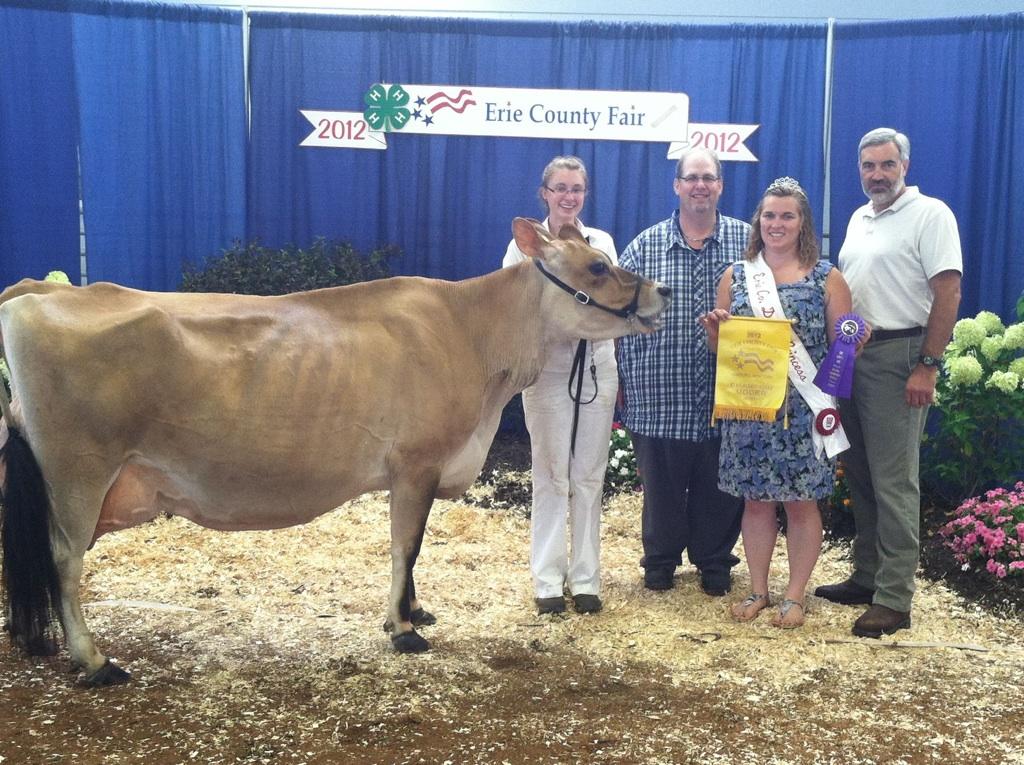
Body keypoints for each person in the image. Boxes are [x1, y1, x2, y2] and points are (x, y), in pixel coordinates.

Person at [815, 128, 962, 638]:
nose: (877, 174)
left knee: (895, 481)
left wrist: (928, 364)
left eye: (887, 164)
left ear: (905, 165)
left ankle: (895, 598)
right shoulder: (859, 218)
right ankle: (867, 575)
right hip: (855, 356)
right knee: (860, 474)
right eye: (869, 166)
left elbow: (948, 291)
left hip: (902, 355)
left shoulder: (931, 215)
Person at [701, 177, 855, 628]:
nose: (777, 223)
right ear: (759, 221)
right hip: (750, 408)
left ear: (803, 222)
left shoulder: (827, 277)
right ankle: (758, 589)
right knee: (755, 502)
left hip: (805, 411)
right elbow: (721, 350)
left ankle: (795, 595)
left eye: (788, 215)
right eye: (769, 215)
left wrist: (854, 345)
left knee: (802, 503)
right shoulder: (736, 275)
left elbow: (842, 350)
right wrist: (716, 333)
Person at [617, 147, 748, 596]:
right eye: (691, 177)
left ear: (720, 186)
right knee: (661, 488)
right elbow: (618, 315)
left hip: (728, 392)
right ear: (677, 185)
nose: (699, 186)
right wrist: (621, 379)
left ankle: (715, 561)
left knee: (721, 486)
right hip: (657, 394)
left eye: (708, 178)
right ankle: (660, 561)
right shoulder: (644, 246)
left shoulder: (748, 243)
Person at [502, 155, 618, 616]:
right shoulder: (523, 247)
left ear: (584, 195)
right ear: (545, 193)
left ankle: (586, 578)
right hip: (547, 369)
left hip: (597, 365)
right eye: (561, 188)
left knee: (589, 474)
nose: (569, 196)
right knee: (551, 473)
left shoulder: (601, 242)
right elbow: (516, 308)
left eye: (577, 189)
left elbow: (612, 302)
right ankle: (548, 579)